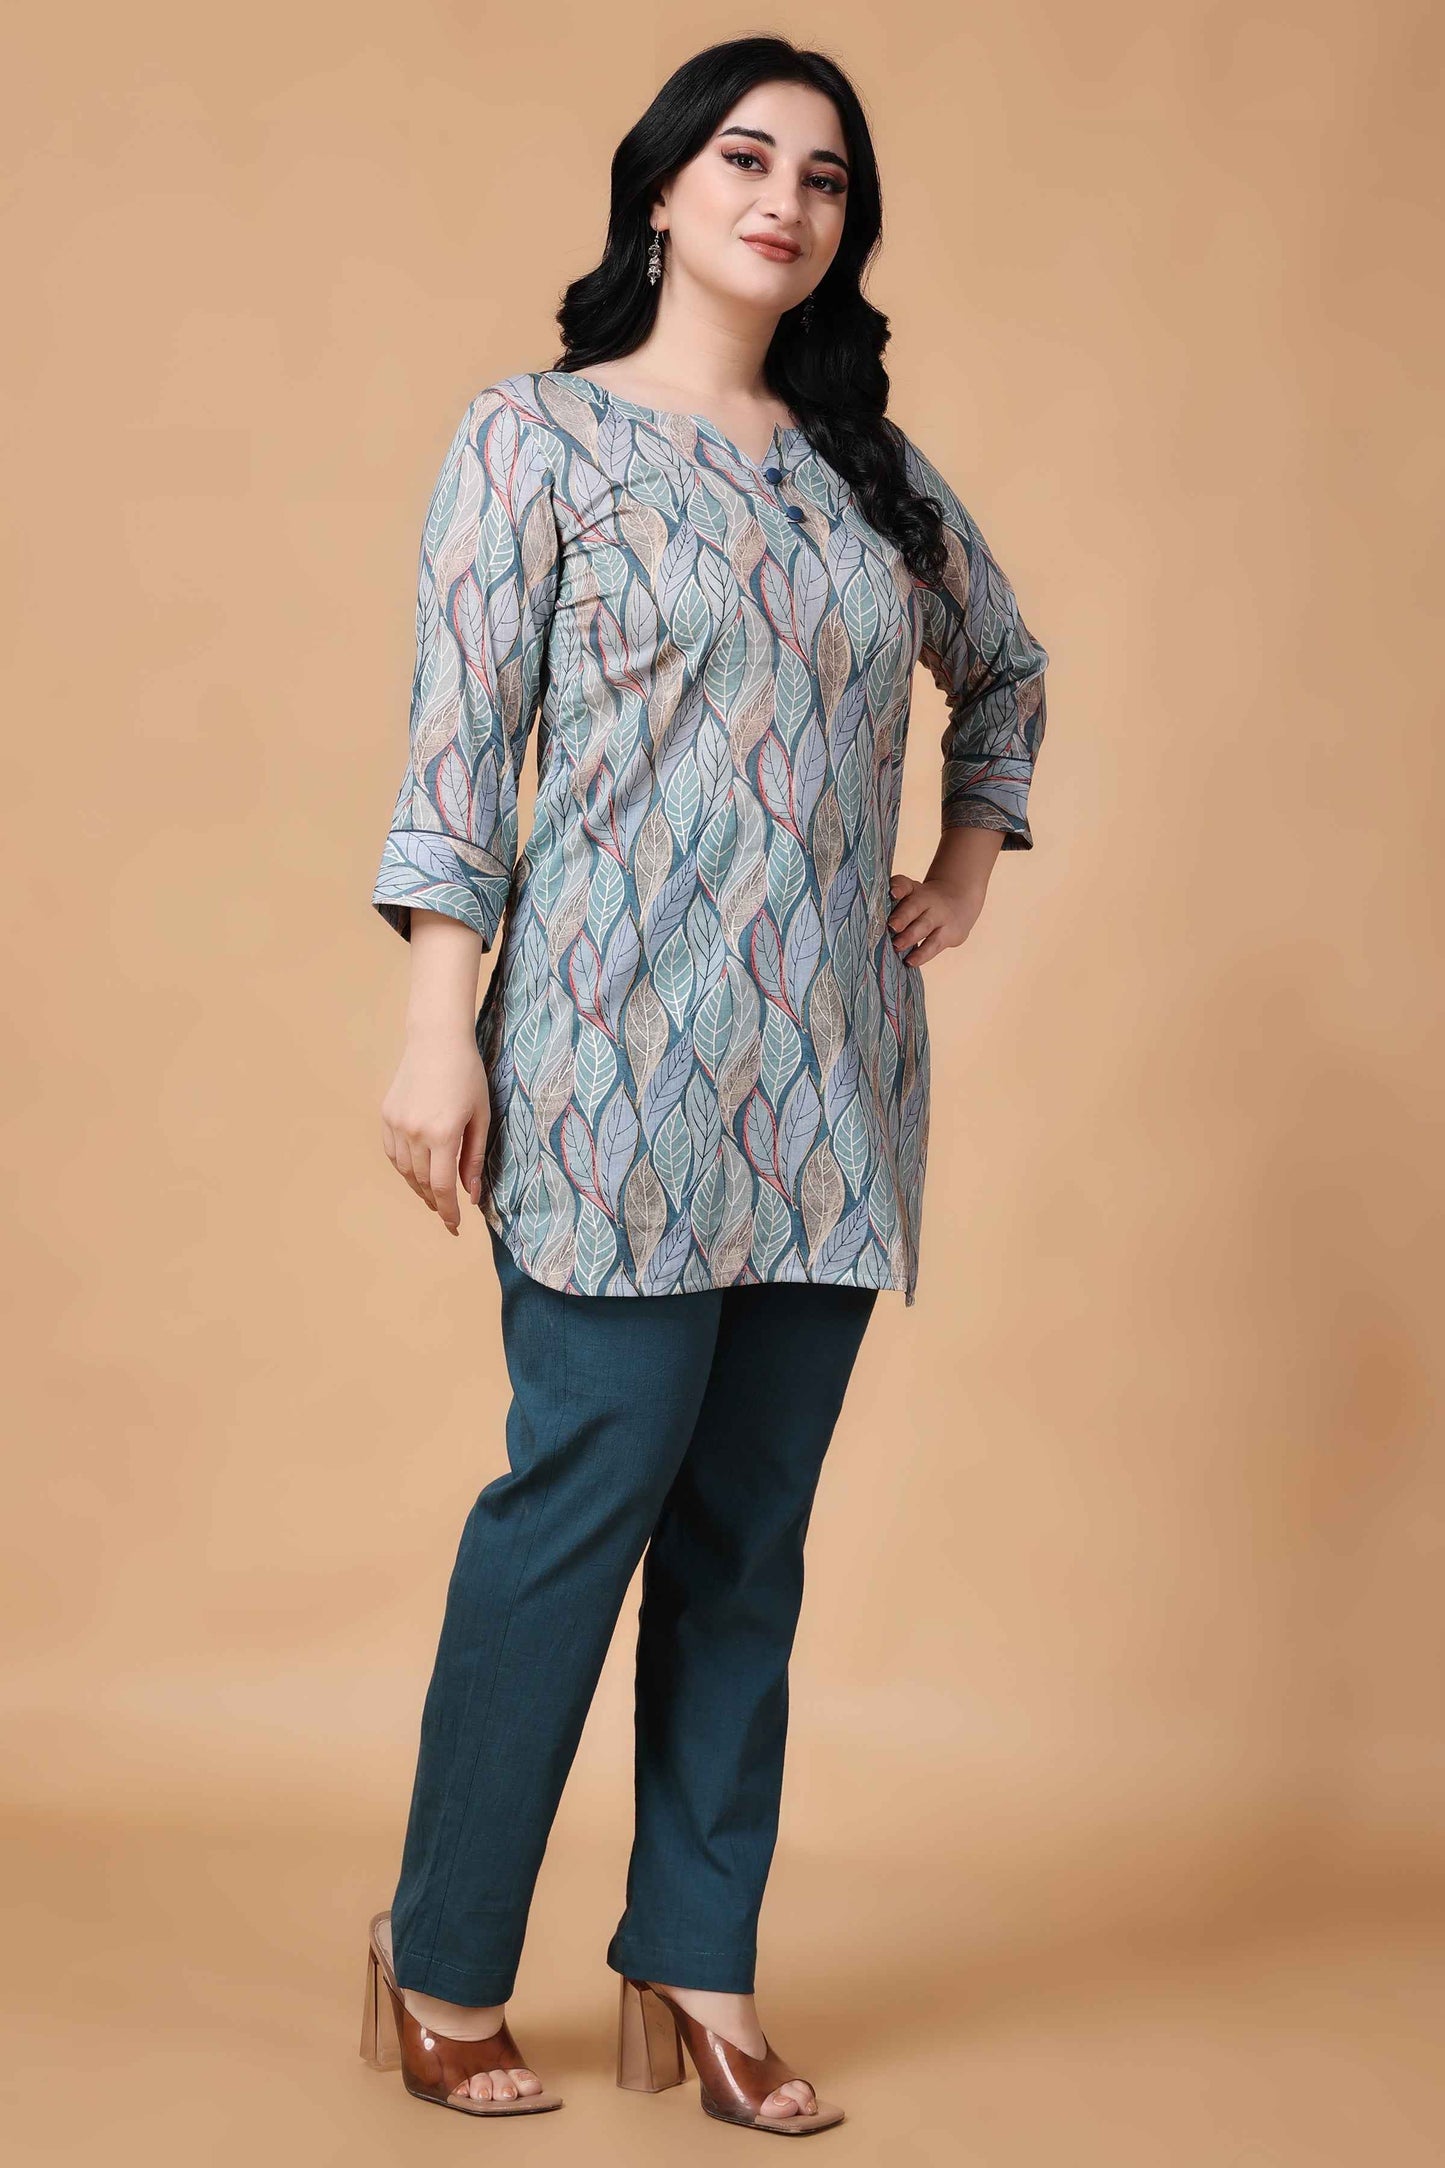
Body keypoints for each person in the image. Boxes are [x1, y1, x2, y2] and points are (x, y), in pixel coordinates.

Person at [360, 33, 1049, 2136]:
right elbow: (462, 755)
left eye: (824, 177)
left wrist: (961, 864)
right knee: (577, 1511)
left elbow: (1005, 671)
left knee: (749, 1541)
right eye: (745, 159)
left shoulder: (868, 470)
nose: (784, 200)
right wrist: (438, 1028)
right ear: (661, 191)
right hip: (603, 1073)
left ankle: (698, 1954)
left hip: (827, 1091)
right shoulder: (537, 438)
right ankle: (442, 1957)